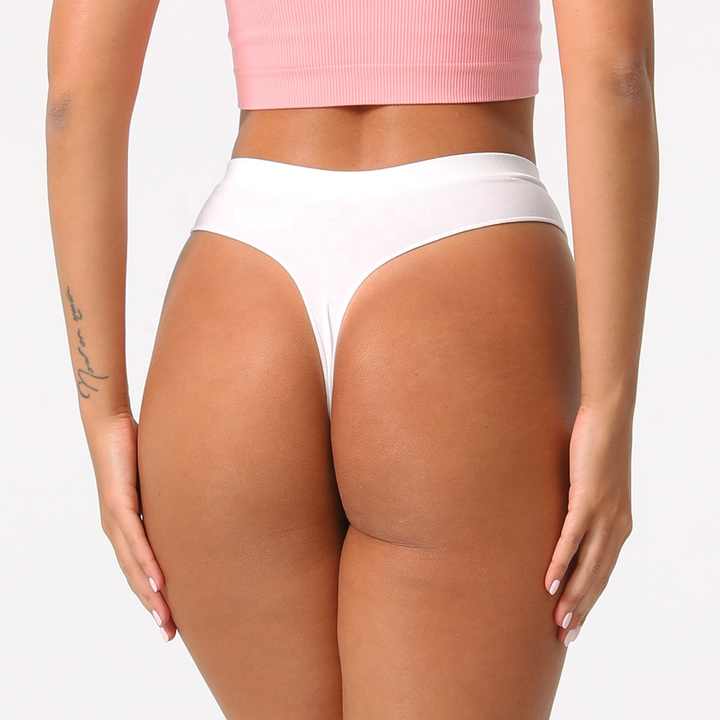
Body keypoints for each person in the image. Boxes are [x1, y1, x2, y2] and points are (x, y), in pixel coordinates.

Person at [46, 1, 658, 717]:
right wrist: (609, 411)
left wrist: (104, 414)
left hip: (239, 294)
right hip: (468, 255)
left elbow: (72, 103)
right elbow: (617, 77)